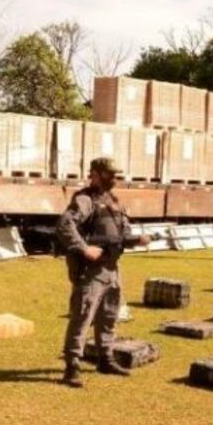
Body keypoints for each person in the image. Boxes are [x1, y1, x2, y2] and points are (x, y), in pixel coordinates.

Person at [57, 157, 148, 388]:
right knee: (82, 317)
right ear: (96, 175)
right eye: (110, 175)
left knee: (109, 316)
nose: (114, 179)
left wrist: (137, 239)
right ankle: (72, 366)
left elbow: (122, 233)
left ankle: (105, 359)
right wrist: (84, 249)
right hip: (91, 271)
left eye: (116, 175)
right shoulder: (85, 200)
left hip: (112, 268)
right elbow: (64, 225)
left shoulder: (114, 201)